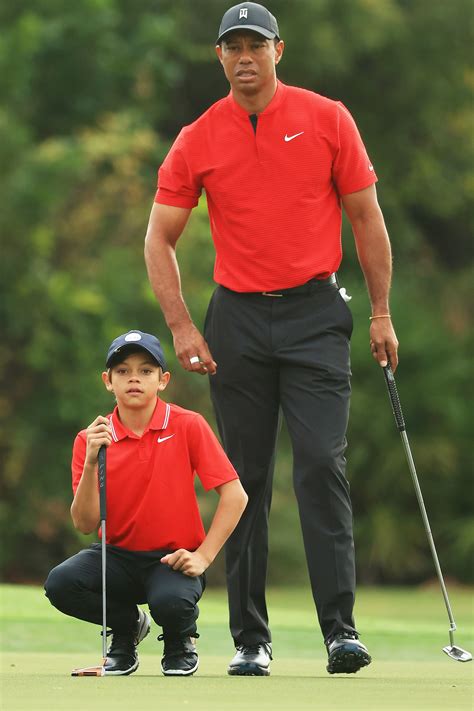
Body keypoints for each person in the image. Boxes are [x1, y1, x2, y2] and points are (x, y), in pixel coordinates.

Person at [144, 2, 399, 676]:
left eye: (257, 44)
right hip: (238, 320)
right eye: (234, 46)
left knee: (321, 464)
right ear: (220, 57)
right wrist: (181, 325)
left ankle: (340, 630)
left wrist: (381, 311)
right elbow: (159, 237)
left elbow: (367, 218)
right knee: (244, 477)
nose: (246, 56)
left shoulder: (327, 119)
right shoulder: (199, 137)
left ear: (279, 51)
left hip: (317, 311)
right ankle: (250, 639)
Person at [44, 330, 248, 677]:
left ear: (163, 380)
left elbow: (235, 495)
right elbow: (83, 523)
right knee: (60, 584)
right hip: (117, 558)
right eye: (122, 371)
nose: (134, 378)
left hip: (172, 559)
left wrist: (204, 555)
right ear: (108, 381)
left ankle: (179, 640)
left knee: (170, 602)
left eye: (145, 370)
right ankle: (126, 629)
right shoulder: (90, 439)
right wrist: (93, 461)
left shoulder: (187, 425)